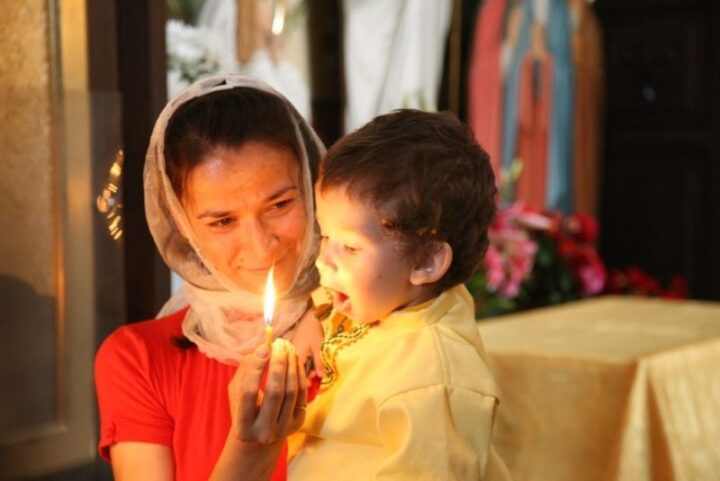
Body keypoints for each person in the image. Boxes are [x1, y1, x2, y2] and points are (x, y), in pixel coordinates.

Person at [94, 75, 326, 481]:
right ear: (182, 226)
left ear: (313, 188)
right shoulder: (139, 360)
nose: (260, 246)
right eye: (222, 221)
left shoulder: (367, 327)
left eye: (280, 204)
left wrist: (327, 308)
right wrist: (250, 449)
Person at [288, 109, 513, 480]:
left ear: (426, 261)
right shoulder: (386, 294)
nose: (323, 260)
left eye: (351, 247)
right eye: (324, 236)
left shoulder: (434, 384)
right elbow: (326, 298)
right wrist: (310, 319)